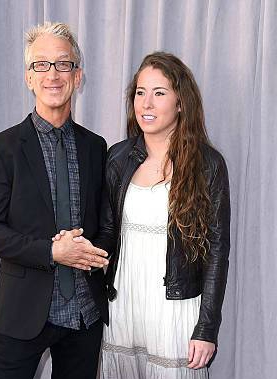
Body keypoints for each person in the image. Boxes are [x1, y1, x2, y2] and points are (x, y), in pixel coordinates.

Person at [56, 51, 230, 378]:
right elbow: (107, 232)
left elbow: (218, 251)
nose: (146, 104)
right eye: (140, 92)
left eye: (159, 93)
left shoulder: (208, 164)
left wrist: (207, 327)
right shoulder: (118, 158)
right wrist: (82, 249)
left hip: (174, 306)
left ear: (181, 103)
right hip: (122, 303)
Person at [0, 22, 110, 379]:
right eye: (41, 65)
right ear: (28, 78)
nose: (53, 74)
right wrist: (52, 252)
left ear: (77, 76)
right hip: (23, 311)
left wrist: (97, 255)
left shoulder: (96, 147)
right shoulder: (0, 148)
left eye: (63, 64)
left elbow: (105, 224)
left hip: (85, 312)